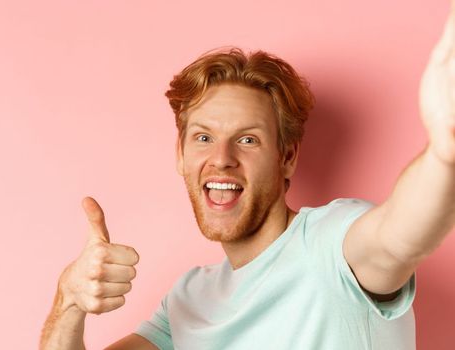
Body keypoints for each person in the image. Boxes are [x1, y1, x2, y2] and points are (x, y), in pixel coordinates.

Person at [39, 4, 455, 350]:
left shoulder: (331, 245)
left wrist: (444, 154)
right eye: (204, 137)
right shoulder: (188, 299)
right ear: (180, 155)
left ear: (287, 157)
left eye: (248, 140)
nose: (221, 159)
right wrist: (68, 298)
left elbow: (400, 235)